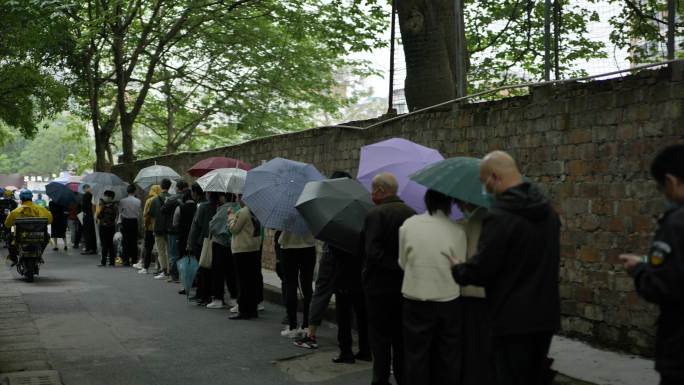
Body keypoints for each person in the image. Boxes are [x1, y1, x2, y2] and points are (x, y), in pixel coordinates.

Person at [449, 151, 560, 385]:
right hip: (545, 315)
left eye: (483, 182)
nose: (484, 188)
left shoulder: (499, 217)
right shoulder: (548, 213)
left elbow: (483, 270)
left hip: (511, 318)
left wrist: (459, 269)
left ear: (494, 177)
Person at [620, 145, 684, 385]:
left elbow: (662, 286)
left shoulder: (677, 223)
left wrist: (638, 269)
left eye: (661, 187)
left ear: (671, 181)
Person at [398, 189, 466, 384]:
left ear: (426, 201)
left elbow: (403, 262)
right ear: (449, 204)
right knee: (447, 355)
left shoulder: (408, 225)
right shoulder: (457, 230)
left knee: (416, 355)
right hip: (448, 300)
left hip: (415, 298)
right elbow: (460, 266)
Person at [362, 172, 415, 385]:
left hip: (379, 288)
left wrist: (391, 265)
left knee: (380, 340)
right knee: (401, 339)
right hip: (404, 286)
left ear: (381, 191)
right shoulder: (412, 213)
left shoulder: (376, 214)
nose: (371, 194)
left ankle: (380, 379)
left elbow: (372, 251)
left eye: (373, 189)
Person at [454, 200, 495, 385]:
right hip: (491, 291)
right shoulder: (496, 220)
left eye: (460, 204)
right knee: (486, 341)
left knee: (471, 342)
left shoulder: (469, 222)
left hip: (470, 289)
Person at [228, 199, 263, 320]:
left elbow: (234, 229)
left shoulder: (242, 212)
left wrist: (231, 216)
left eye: (239, 197)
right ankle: (253, 309)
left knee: (242, 281)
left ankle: (243, 310)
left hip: (242, 249)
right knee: (251, 281)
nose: (238, 200)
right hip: (253, 249)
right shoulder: (256, 211)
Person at [279, 229, 316, 338]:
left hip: (288, 246)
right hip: (308, 246)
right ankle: (306, 325)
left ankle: (292, 327)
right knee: (307, 286)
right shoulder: (310, 211)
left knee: (290, 285)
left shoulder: (285, 212)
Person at [206, 192, 238, 309]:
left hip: (220, 243)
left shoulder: (224, 209)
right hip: (232, 244)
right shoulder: (237, 207)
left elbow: (213, 226)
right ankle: (234, 297)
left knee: (218, 271)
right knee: (231, 271)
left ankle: (218, 298)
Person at [4, 190, 53, 265]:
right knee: (47, 236)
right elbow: (49, 221)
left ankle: (13, 258)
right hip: (39, 236)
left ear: (21, 199)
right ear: (32, 198)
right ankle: (40, 254)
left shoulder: (15, 212)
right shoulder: (42, 210)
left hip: (20, 236)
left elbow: (7, 224)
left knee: (9, 237)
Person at [188, 190, 218, 305]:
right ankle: (211, 294)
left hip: (202, 242)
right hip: (216, 242)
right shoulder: (220, 208)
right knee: (213, 270)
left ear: (209, 194)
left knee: (202, 269)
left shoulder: (203, 207)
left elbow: (196, 224)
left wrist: (190, 242)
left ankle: (202, 295)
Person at [174, 182, 202, 295]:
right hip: (196, 239)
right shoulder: (198, 207)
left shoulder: (180, 207)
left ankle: (186, 285)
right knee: (195, 260)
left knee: (184, 261)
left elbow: (175, 223)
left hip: (183, 237)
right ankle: (195, 282)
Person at [162, 180, 188, 282]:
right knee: (181, 253)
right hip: (184, 230)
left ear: (177, 188)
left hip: (173, 229)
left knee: (173, 253)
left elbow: (162, 210)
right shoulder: (188, 198)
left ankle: (174, 276)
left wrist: (166, 202)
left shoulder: (172, 199)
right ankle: (182, 274)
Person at [148, 179, 171, 279]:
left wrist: (153, 228)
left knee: (160, 250)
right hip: (170, 228)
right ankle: (170, 270)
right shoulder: (173, 198)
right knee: (169, 250)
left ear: (161, 186)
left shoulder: (154, 200)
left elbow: (152, 215)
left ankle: (164, 270)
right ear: (169, 187)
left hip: (158, 228)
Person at [139, 185, 161, 274]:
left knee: (148, 247)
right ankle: (159, 266)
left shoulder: (149, 200)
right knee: (159, 248)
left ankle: (146, 267)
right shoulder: (162, 199)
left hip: (149, 227)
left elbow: (145, 214)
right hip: (160, 227)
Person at [119, 184, 141, 266]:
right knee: (133, 240)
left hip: (125, 221)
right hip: (134, 221)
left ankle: (126, 260)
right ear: (134, 191)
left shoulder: (122, 201)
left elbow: (120, 212)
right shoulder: (138, 201)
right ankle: (134, 259)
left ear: (127, 191)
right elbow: (139, 212)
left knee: (125, 241)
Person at [96, 190, 119, 267]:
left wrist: (103, 207)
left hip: (106, 227)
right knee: (108, 244)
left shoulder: (109, 207)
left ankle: (104, 262)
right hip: (109, 227)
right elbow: (99, 216)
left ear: (110, 197)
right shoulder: (112, 206)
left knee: (106, 244)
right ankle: (111, 262)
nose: (104, 197)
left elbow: (100, 216)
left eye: (106, 196)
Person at [81, 184, 97, 255]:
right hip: (92, 215)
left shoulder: (85, 196)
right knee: (92, 233)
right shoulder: (93, 195)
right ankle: (93, 248)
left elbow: (84, 207)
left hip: (87, 216)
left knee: (87, 233)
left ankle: (88, 248)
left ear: (85, 189)